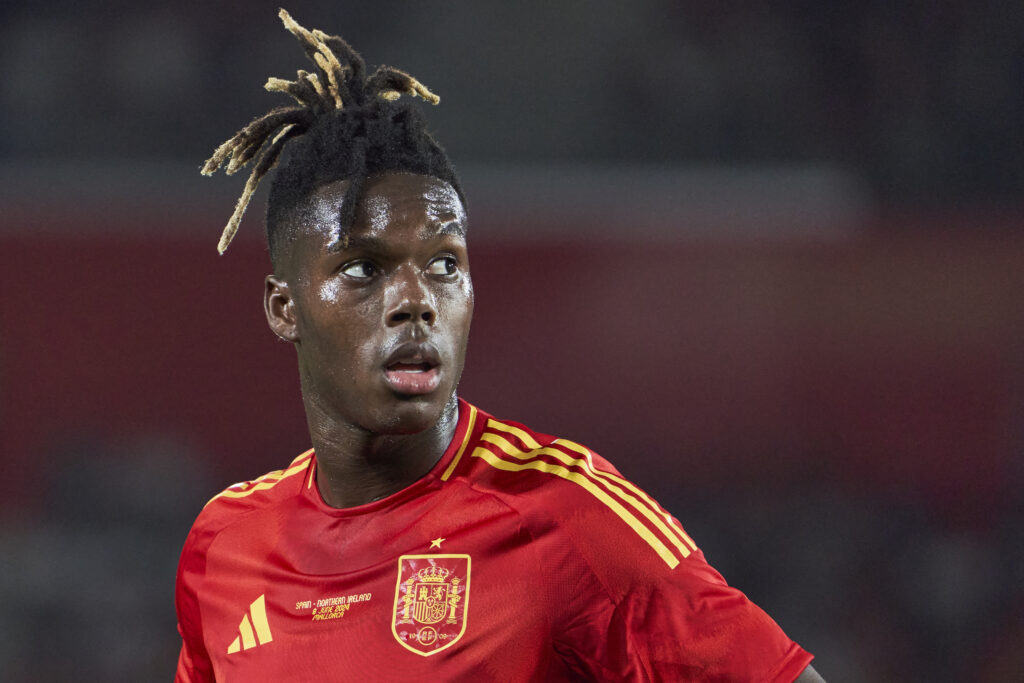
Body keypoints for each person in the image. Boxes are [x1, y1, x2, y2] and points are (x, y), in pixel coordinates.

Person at [175, 10, 825, 682]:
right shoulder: (223, 545)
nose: (416, 299)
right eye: (365, 267)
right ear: (286, 308)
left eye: (445, 264)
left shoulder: (565, 516)